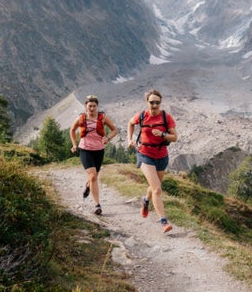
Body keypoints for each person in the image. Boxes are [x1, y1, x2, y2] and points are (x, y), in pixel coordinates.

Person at [127, 89, 178, 233]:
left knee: (154, 185)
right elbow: (130, 123)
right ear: (147, 102)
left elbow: (174, 137)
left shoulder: (166, 117)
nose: (154, 105)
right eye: (152, 102)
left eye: (157, 102)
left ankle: (145, 200)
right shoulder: (142, 116)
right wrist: (129, 139)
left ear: (160, 103)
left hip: (161, 155)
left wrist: (162, 134)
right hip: (145, 154)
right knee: (157, 188)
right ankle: (163, 221)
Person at [69, 95, 119, 216]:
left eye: (94, 106)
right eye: (89, 106)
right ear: (85, 106)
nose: (92, 108)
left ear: (97, 106)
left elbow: (114, 130)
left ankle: (88, 186)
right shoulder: (81, 118)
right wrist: (74, 144)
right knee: (93, 177)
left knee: (94, 177)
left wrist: (108, 138)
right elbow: (72, 130)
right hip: (85, 150)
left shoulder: (102, 118)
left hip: (99, 150)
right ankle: (97, 205)